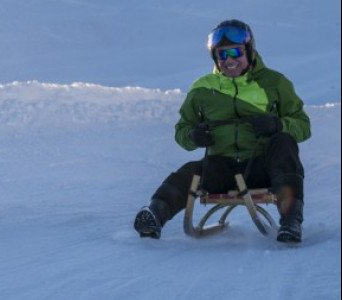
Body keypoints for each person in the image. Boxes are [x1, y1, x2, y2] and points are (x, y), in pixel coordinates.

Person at [133, 19, 311, 243]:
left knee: (284, 143)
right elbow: (182, 130)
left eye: (236, 52)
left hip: (262, 166)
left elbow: (303, 125)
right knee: (192, 171)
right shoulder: (202, 89)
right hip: (222, 167)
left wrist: (277, 125)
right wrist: (194, 135)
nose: (230, 60)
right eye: (222, 54)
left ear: (249, 51)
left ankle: (291, 222)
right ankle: (154, 215)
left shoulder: (275, 83)